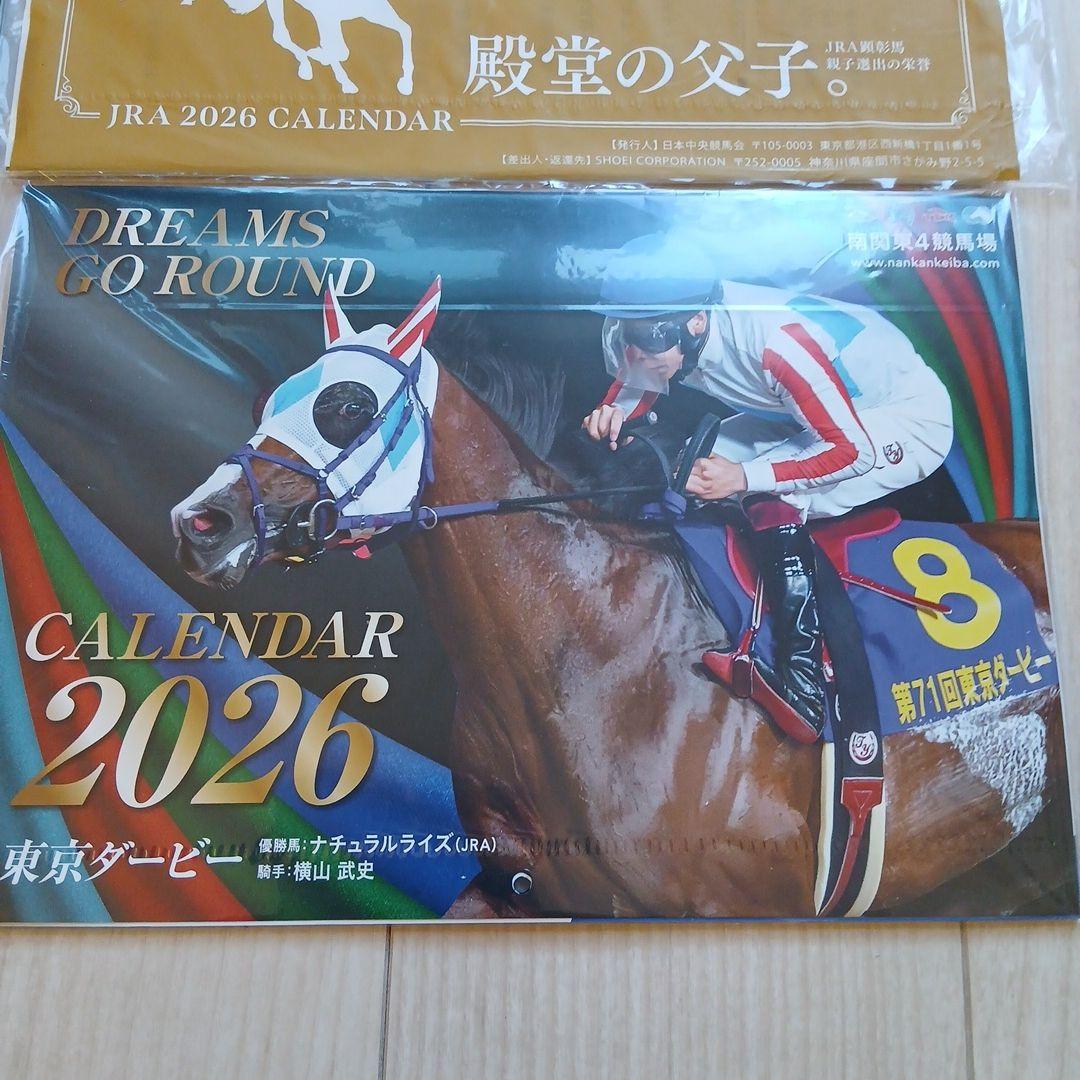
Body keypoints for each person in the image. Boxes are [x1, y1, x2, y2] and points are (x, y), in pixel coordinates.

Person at [583, 232, 954, 742]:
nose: (635, 353)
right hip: (806, 409)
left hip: (899, 417)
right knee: (692, 469)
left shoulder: (776, 344)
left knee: (768, 491)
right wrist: (615, 412)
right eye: (626, 333)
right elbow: (637, 378)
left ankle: (803, 686)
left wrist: (745, 477)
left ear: (696, 322)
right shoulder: (659, 331)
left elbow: (851, 452)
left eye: (647, 338)